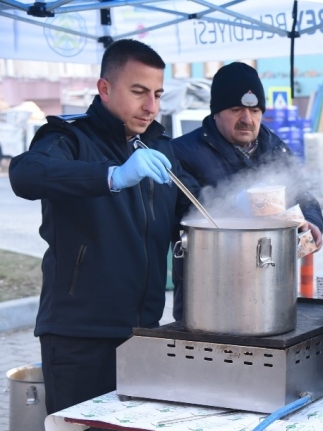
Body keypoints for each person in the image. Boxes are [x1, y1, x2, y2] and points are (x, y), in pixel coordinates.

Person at [8, 39, 198, 415]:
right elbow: (25, 174)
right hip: (80, 335)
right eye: (139, 92)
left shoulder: (158, 145)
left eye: (158, 94)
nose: (152, 107)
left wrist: (247, 211)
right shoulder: (68, 137)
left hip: (141, 332)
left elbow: (188, 210)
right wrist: (112, 176)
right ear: (105, 88)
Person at [170, 61, 323, 321]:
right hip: (207, 297)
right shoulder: (182, 152)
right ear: (216, 112)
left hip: (269, 293)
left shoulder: (276, 147)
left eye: (254, 110)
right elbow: (181, 215)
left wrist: (312, 220)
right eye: (235, 109)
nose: (247, 119)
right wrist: (236, 207)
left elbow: (303, 193)